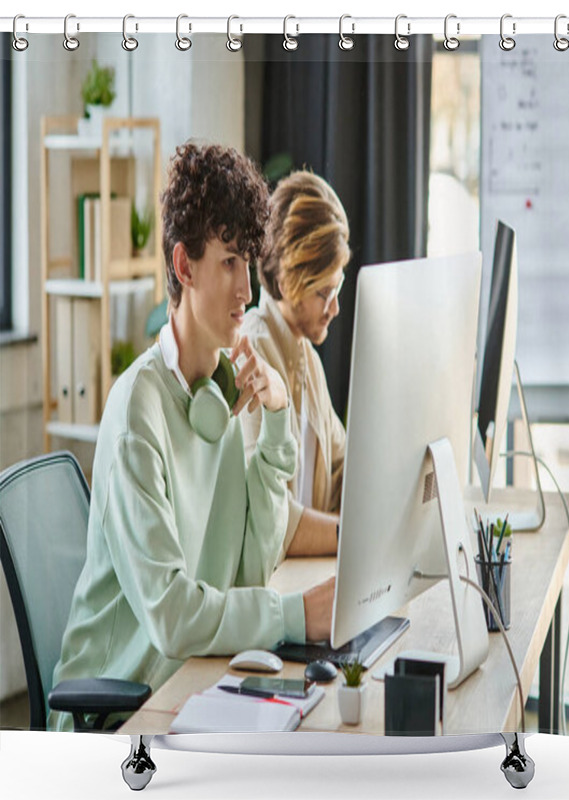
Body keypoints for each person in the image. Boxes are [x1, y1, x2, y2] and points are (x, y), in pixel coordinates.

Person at [50, 144, 334, 731]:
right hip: (123, 709)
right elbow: (175, 617)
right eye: (229, 262)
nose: (247, 290)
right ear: (184, 266)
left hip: (194, 681)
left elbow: (251, 564)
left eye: (248, 264)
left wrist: (276, 417)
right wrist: (292, 616)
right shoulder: (139, 414)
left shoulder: (218, 389)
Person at [240, 171, 349, 559]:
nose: (335, 308)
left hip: (304, 578)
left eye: (337, 289)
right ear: (288, 281)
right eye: (324, 293)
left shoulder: (308, 361)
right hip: (270, 595)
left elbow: (341, 466)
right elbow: (274, 522)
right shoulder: (251, 356)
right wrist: (352, 537)